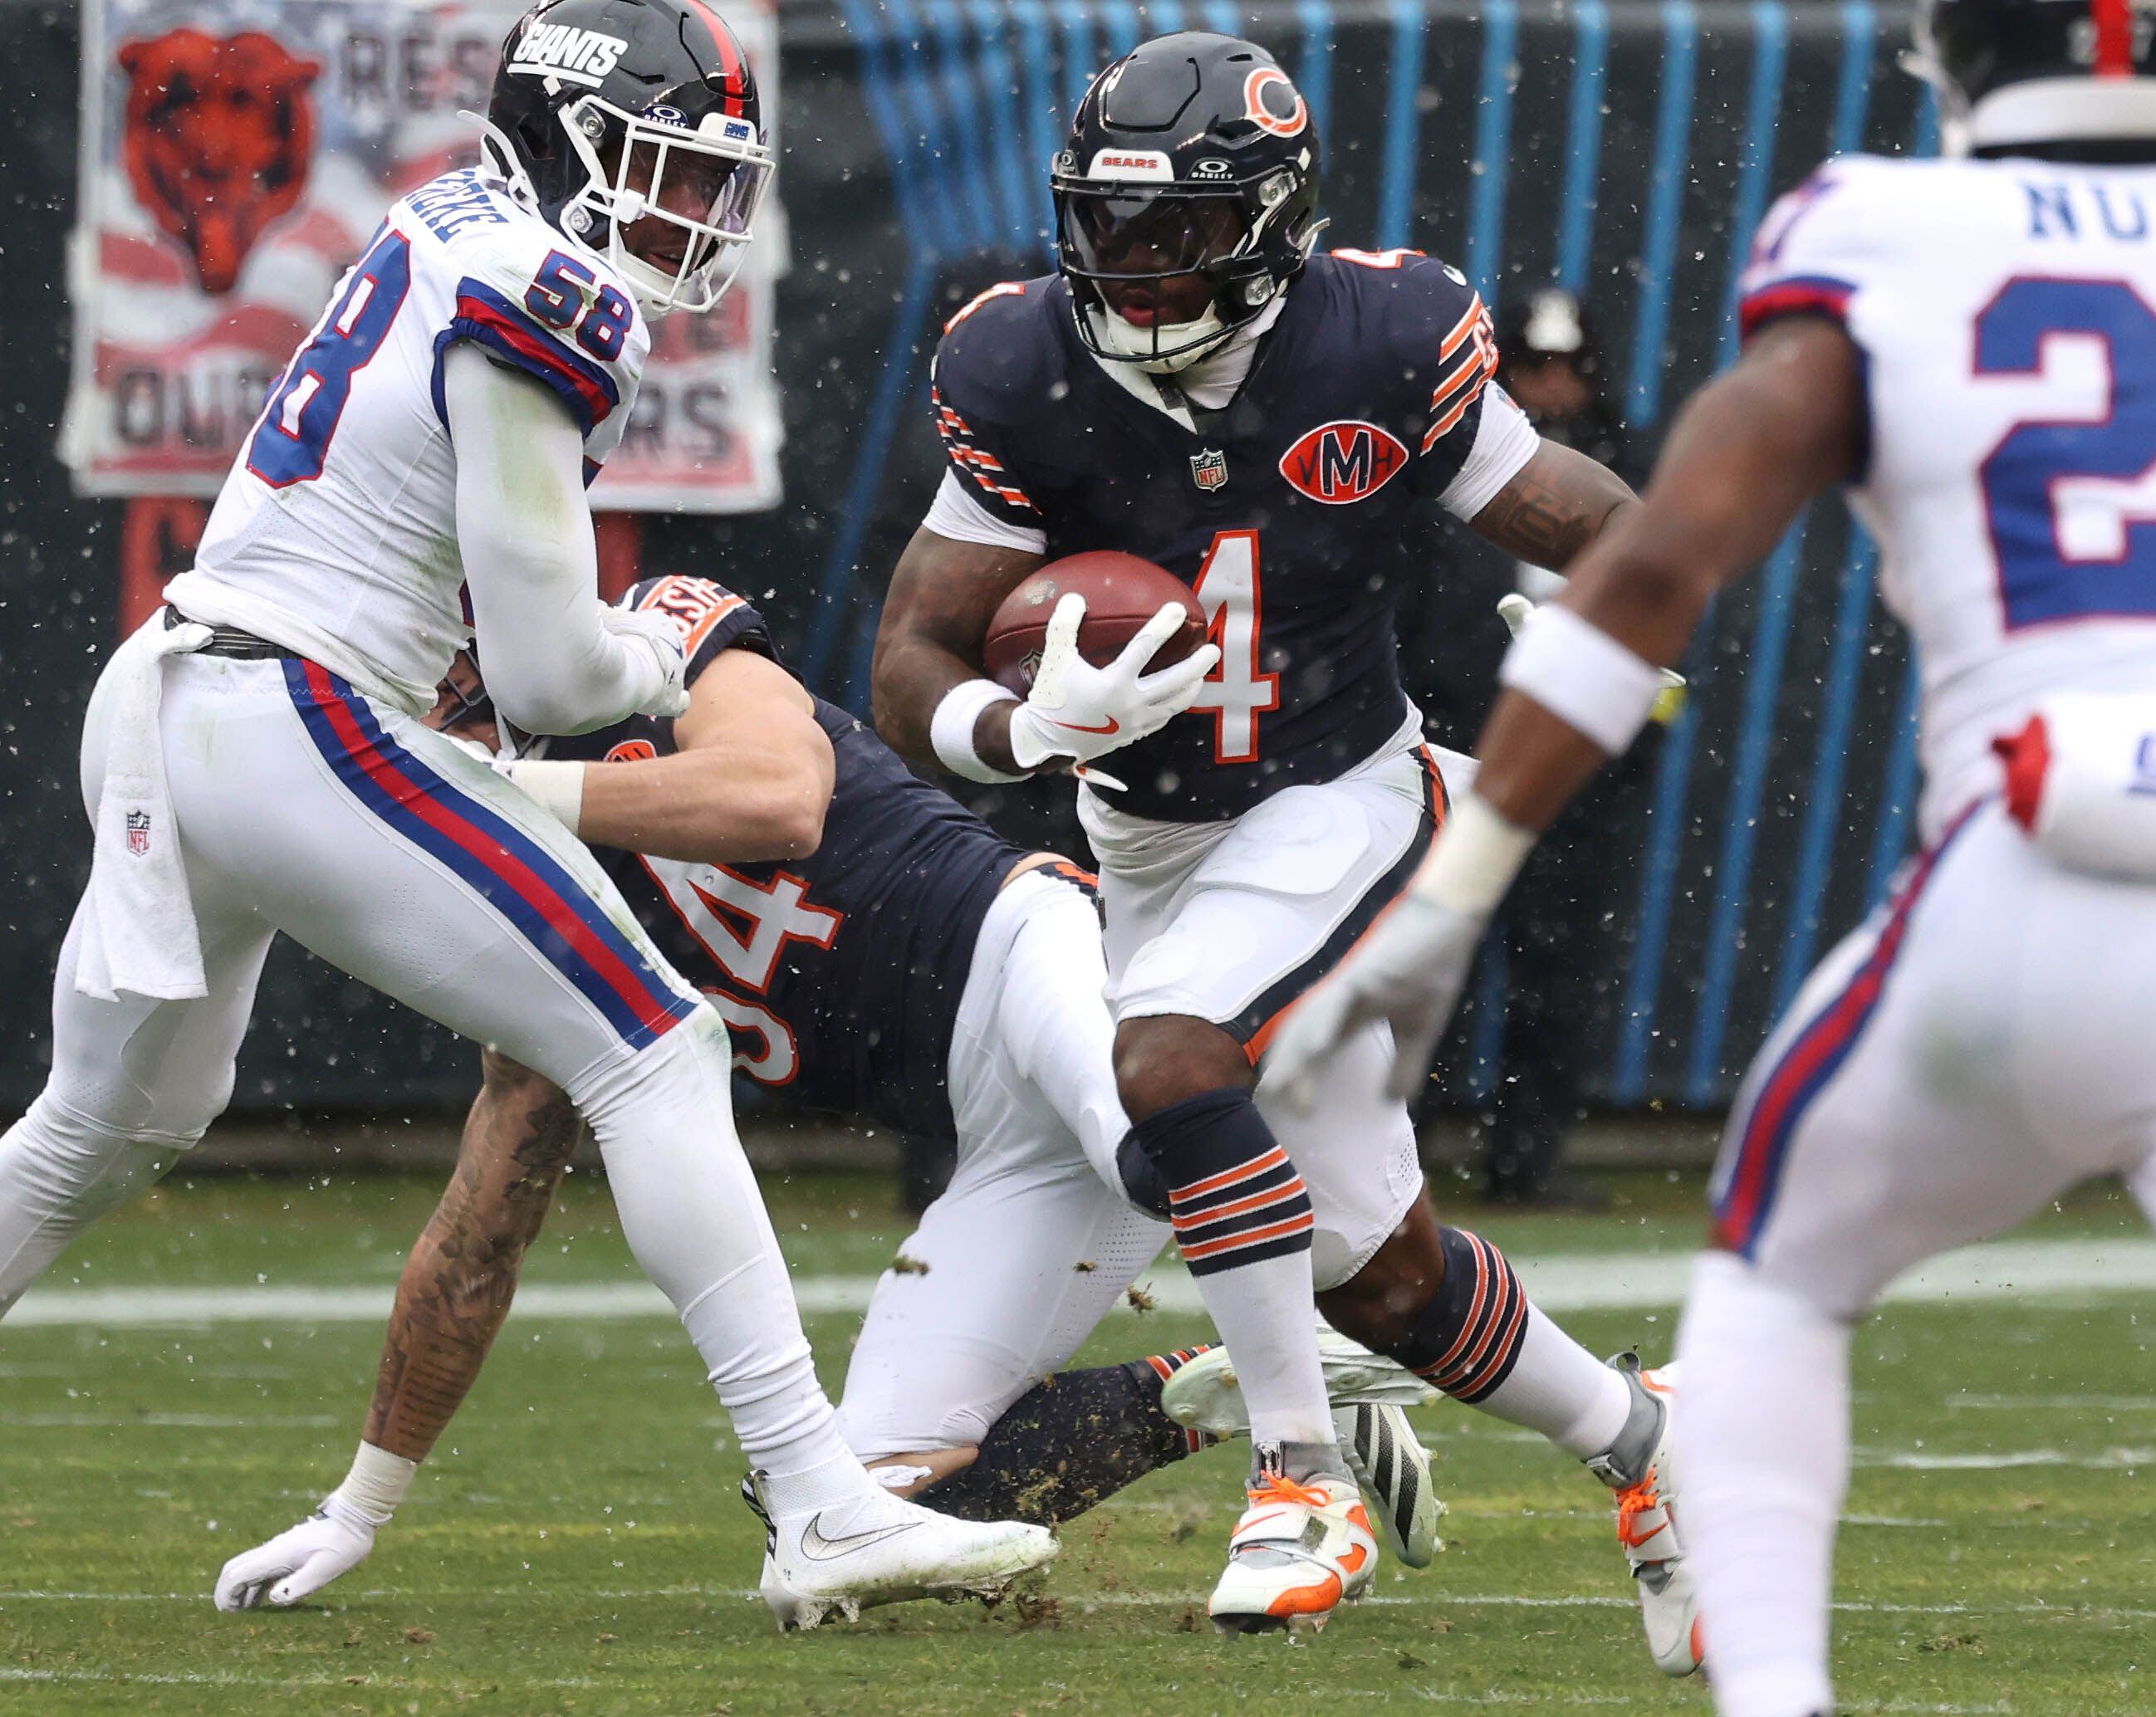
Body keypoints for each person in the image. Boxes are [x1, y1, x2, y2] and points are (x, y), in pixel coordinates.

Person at [0, 0, 1051, 1630]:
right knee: (655, 1040)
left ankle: (823, 1497)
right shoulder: (544, 288)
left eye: (717, 181)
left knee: (96, 1130)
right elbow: (556, 675)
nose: (694, 214)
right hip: (286, 707)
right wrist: (659, 639)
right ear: (574, 130)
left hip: (170, 700)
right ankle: (822, 1495)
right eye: (669, 168)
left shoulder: (448, 215)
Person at [1267, 0, 2156, 1709]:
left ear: (1966, 51)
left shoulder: (1881, 226)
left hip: (2030, 888)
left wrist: (1449, 897)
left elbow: (1654, 569)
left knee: (1778, 1284)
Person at [867, 32, 1697, 1660]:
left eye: (1167, 228)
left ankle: (1301, 1470)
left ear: (1265, 224)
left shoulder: (1380, 340)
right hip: (1151, 842)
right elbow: (910, 658)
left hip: (1344, 795)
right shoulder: (1019, 365)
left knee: (1172, 1060)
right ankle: (1657, 1444)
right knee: (1366, 1271)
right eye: (1102, 223)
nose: (1125, 263)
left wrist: (1602, 618)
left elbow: (1601, 522)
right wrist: (1014, 734)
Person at [216, 575, 1443, 1611]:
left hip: (1040, 956)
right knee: (847, 1520)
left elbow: (778, 797)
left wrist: (506, 800)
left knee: (1175, 1158)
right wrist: (360, 1508)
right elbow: (482, 1227)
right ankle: (1249, 1381)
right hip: (993, 1139)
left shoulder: (655, 636)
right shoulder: (522, 904)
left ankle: (1520, 1395)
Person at [1394, 289, 1650, 1210]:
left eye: (1567, 370)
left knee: (1558, 974)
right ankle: (1401, 1163)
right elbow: (1405, 607)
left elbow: (1666, 604)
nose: (1551, 389)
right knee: (1426, 965)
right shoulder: (1444, 471)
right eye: (1531, 370)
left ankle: (1528, 1158)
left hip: (1574, 770)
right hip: (1458, 751)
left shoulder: (1627, 472)